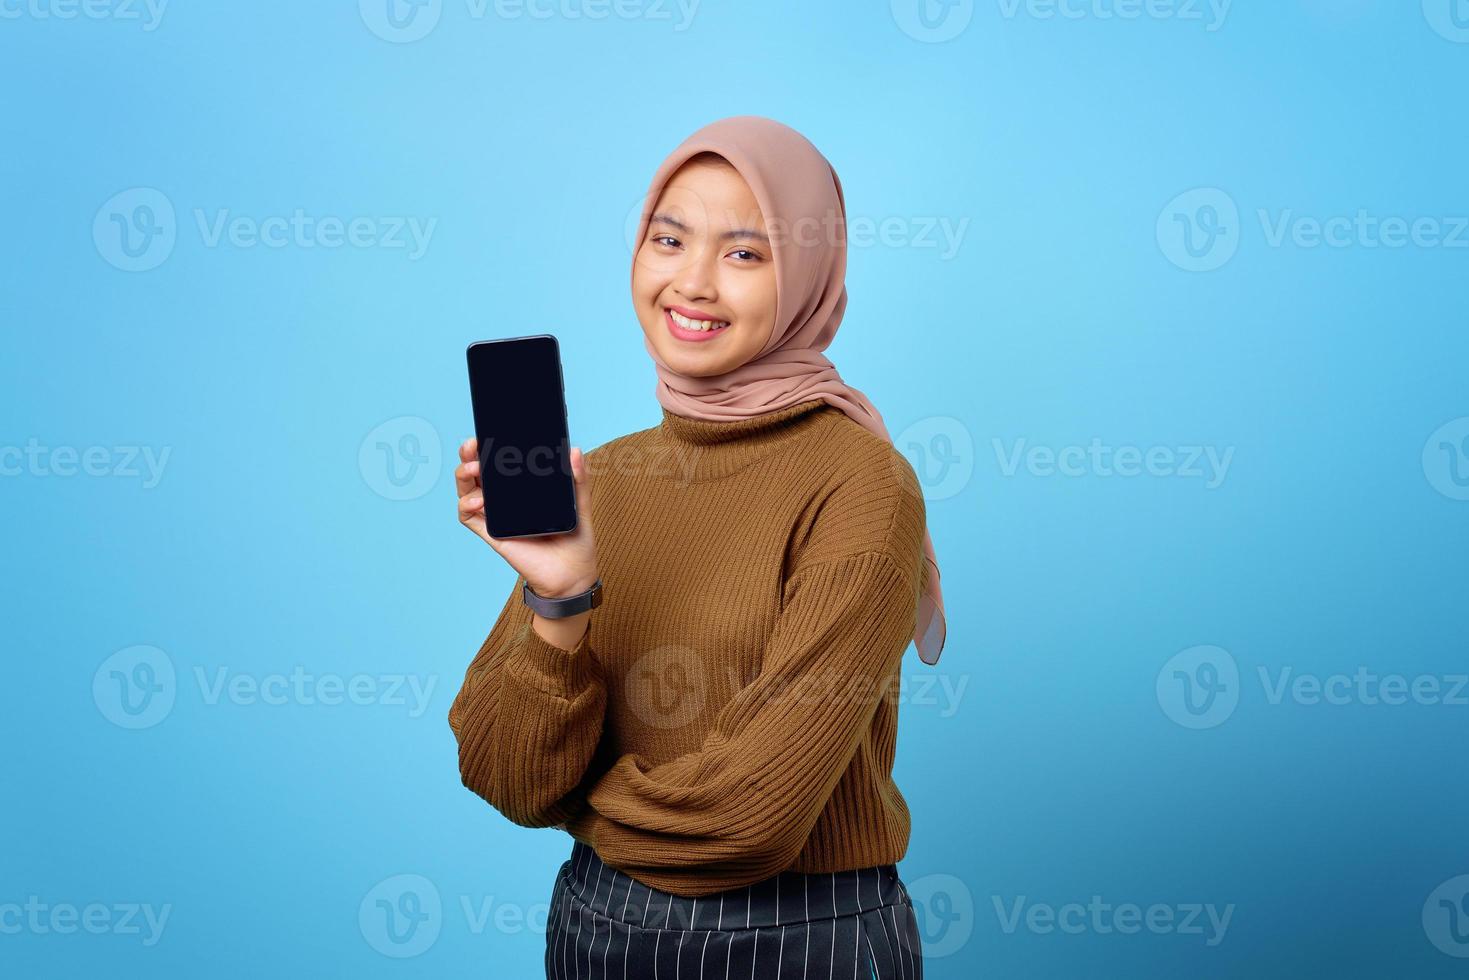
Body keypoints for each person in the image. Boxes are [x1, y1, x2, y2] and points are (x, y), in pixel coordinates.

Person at [448, 114, 948, 978]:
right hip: (595, 928)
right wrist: (561, 602)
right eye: (668, 239)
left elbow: (749, 820)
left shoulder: (861, 484)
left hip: (797, 940)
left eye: (745, 254)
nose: (692, 283)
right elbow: (503, 770)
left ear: (808, 277)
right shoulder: (603, 478)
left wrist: (584, 805)